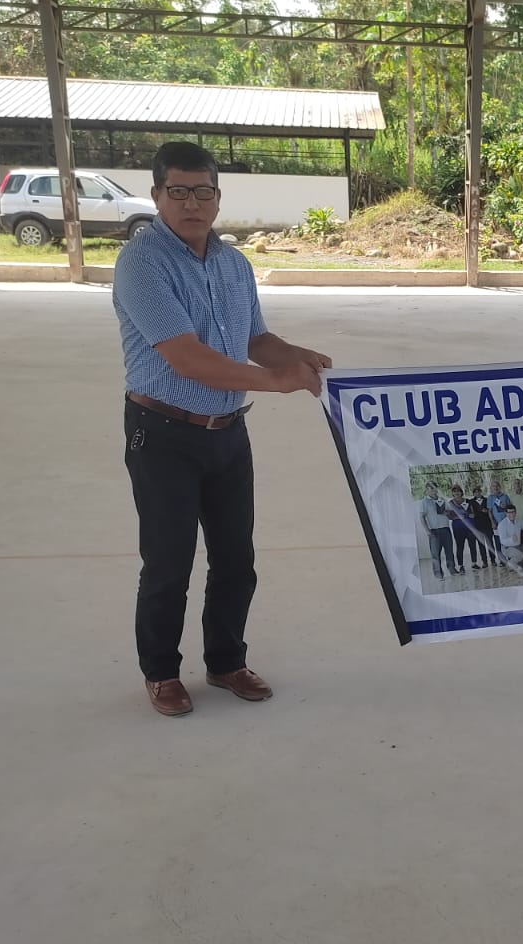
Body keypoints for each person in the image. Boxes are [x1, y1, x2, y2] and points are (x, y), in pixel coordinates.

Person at [114, 141, 329, 718]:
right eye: (178, 191)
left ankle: (227, 661)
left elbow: (254, 338)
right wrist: (277, 381)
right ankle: (161, 672)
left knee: (236, 557)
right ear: (157, 195)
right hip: (162, 432)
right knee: (169, 561)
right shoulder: (141, 263)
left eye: (203, 192)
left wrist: (297, 356)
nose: (192, 203)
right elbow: (187, 357)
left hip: (229, 432)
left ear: (217, 197)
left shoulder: (235, 264)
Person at [420, 482, 457, 581]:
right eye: (430, 488)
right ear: (427, 490)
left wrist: (448, 513)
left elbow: (451, 514)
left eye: (434, 488)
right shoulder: (425, 502)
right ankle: (438, 574)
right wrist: (427, 531)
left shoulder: (443, 500)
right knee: (435, 554)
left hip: (445, 529)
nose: (433, 490)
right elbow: (422, 517)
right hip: (434, 531)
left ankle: (452, 570)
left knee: (449, 551)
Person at [448, 484, 484, 572]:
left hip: (470, 526)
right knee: (460, 546)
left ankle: (474, 563)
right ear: (452, 493)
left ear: (461, 492)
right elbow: (449, 516)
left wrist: (471, 515)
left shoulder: (468, 501)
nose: (456, 493)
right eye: (454, 491)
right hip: (458, 527)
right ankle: (461, 565)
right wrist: (459, 517)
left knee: (472, 544)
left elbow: (472, 513)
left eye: (458, 491)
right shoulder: (450, 503)